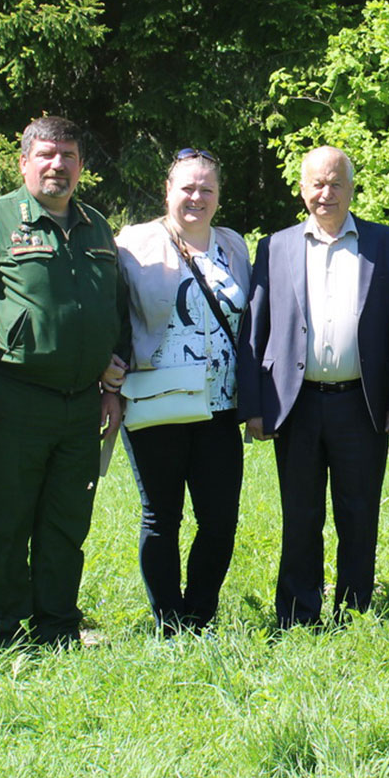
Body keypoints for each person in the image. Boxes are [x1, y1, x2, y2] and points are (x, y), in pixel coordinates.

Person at [0, 116, 129, 647]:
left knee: (68, 520)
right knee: (8, 519)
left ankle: (57, 623)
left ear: (81, 166)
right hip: (13, 399)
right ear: (24, 163)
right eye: (46, 155)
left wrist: (111, 386)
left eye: (68, 156)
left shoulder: (96, 226)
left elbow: (115, 309)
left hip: (81, 404)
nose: (57, 166)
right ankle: (4, 627)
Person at [241, 147, 389, 629]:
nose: (326, 193)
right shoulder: (275, 247)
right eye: (317, 184)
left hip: (361, 403)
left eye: (336, 183)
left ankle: (354, 612)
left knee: (359, 514)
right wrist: (254, 405)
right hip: (295, 403)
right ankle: (299, 614)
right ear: (302, 190)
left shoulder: (388, 244)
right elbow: (256, 327)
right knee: (300, 515)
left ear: (352, 188)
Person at [116, 147, 257, 632]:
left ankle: (199, 615)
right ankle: (170, 621)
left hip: (220, 405)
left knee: (220, 520)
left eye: (207, 189)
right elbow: (110, 309)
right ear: (168, 191)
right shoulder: (133, 243)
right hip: (157, 402)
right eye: (187, 188)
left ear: (219, 196)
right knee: (162, 517)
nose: (196, 197)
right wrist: (108, 362)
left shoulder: (233, 246)